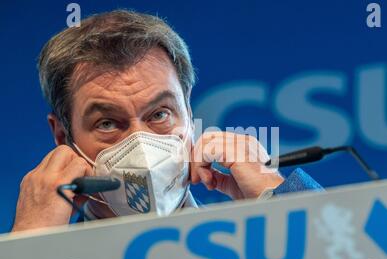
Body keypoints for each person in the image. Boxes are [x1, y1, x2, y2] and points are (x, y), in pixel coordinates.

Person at [12, 10, 322, 232]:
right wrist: (29, 247)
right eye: (107, 123)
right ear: (63, 137)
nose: (140, 144)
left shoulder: (258, 247)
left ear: (188, 113)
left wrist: (281, 201)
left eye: (159, 115)